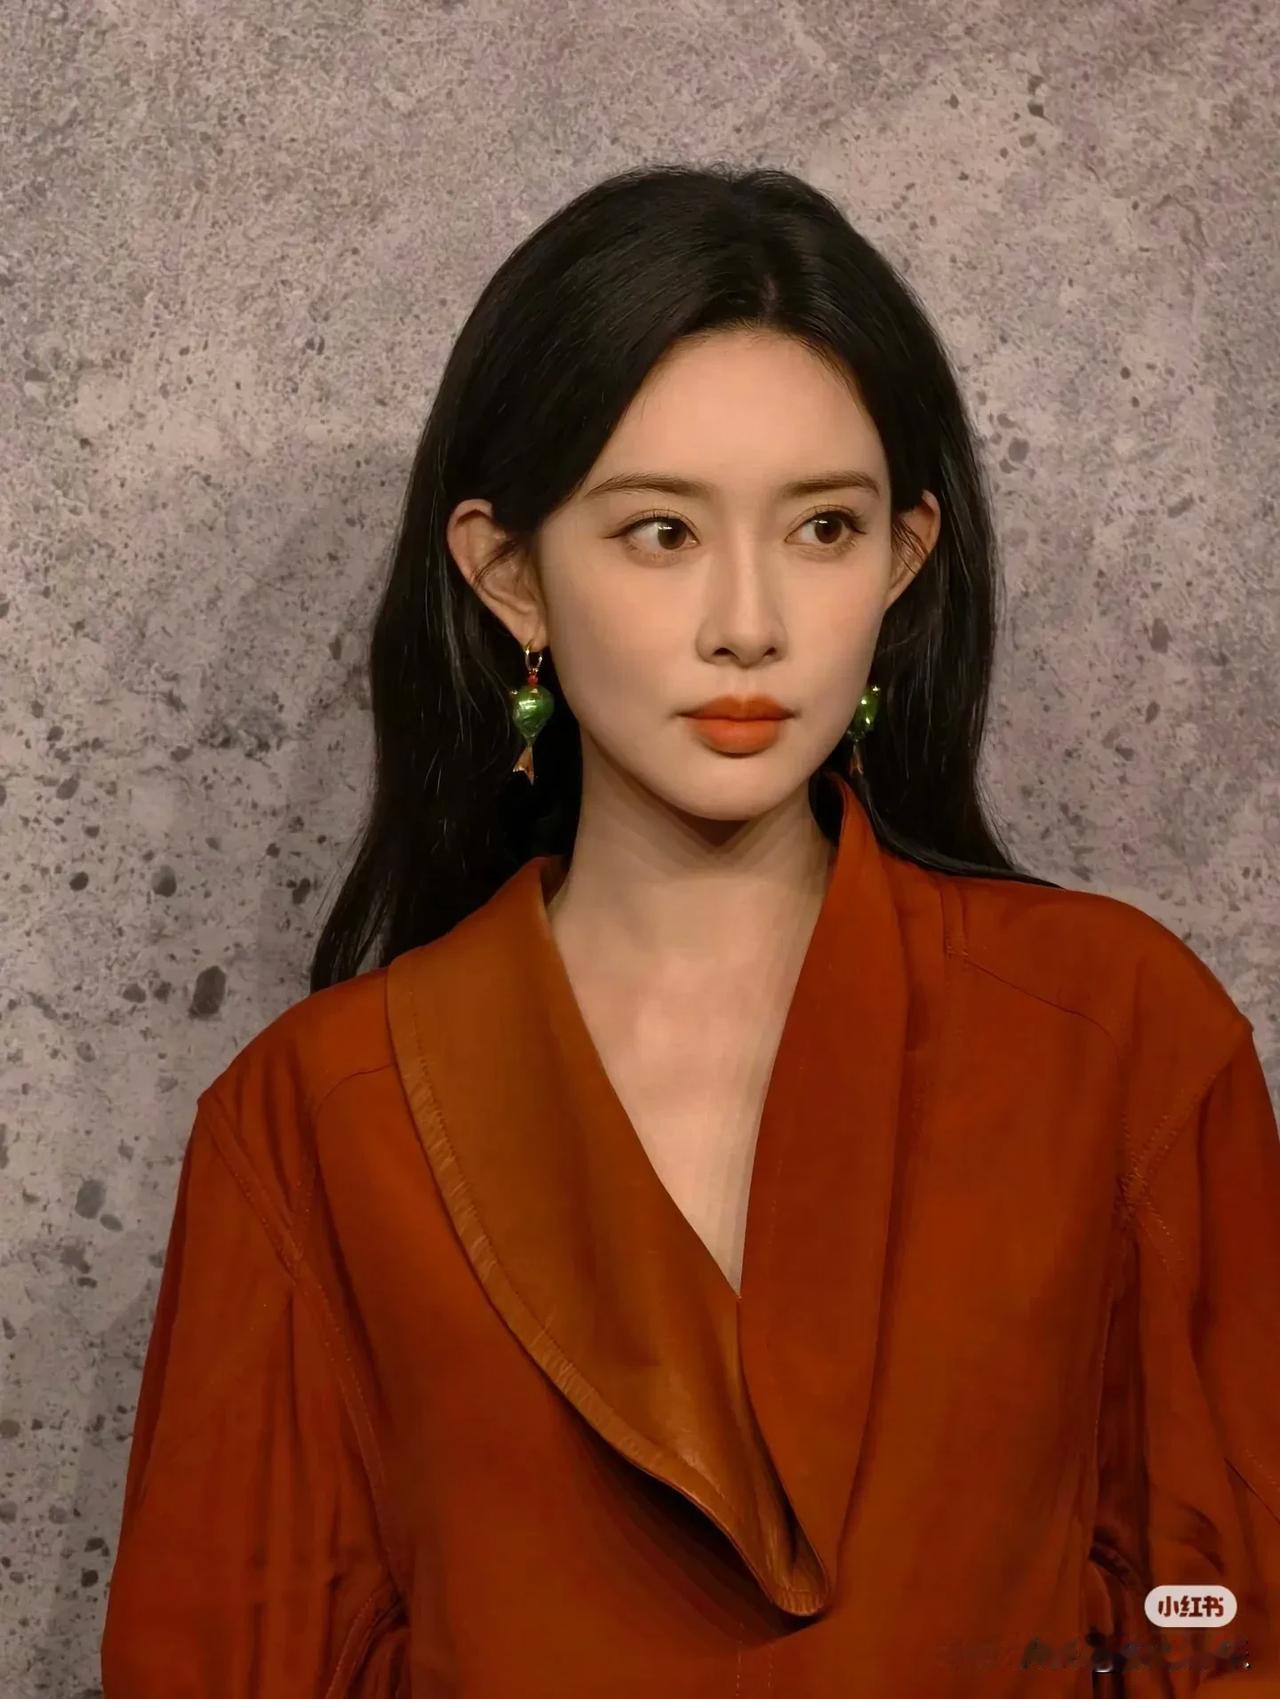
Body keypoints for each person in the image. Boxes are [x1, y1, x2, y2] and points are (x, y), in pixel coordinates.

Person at [100, 164, 1280, 1697]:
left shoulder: (1120, 1039)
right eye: (660, 531)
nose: (749, 623)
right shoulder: (314, 1126)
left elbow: (1231, 1626)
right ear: (508, 572)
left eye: (823, 528)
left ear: (903, 561)